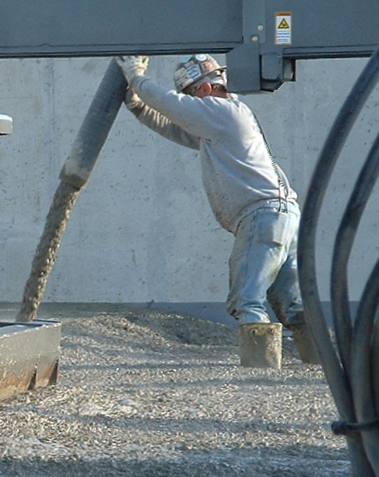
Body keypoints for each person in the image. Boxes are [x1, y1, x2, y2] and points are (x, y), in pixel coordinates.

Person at [117, 53, 318, 367]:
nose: (189, 103)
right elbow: (170, 125)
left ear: (204, 90)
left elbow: (170, 105)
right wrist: (137, 104)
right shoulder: (223, 121)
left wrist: (135, 77)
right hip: (283, 217)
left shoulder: (221, 111)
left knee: (247, 299)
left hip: (262, 217)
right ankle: (321, 364)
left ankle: (259, 375)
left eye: (191, 96)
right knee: (293, 305)